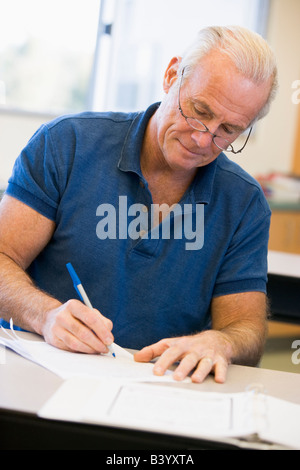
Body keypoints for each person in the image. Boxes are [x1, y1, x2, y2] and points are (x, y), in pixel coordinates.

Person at [0, 25, 278, 383]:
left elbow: (245, 327)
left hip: (160, 389)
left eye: (229, 130)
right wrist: (46, 315)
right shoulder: (66, 144)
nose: (202, 139)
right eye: (199, 111)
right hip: (42, 374)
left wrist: (221, 341)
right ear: (171, 75)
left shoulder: (244, 203)